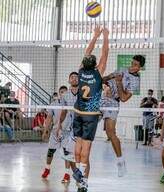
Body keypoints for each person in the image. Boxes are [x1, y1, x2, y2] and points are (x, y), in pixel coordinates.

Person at [70, 27, 112, 192]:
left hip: (78, 112)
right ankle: (80, 175)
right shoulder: (98, 73)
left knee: (78, 145)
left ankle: (79, 177)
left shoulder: (80, 71)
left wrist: (95, 35)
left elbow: (88, 51)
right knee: (86, 148)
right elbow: (105, 52)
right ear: (95, 64)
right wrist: (106, 36)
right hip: (91, 116)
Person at [100, 54, 145, 177]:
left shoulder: (135, 81)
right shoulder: (122, 69)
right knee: (87, 119)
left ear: (140, 68)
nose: (132, 66)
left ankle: (121, 162)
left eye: (135, 65)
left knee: (110, 133)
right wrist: (100, 80)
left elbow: (124, 98)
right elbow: (107, 78)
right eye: (132, 63)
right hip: (102, 98)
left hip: (113, 102)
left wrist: (119, 83)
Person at [41, 85, 70, 183]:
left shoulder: (72, 104)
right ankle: (47, 169)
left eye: (65, 92)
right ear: (59, 93)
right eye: (61, 92)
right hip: (55, 131)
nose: (63, 94)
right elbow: (49, 118)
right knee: (50, 152)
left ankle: (67, 174)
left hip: (67, 132)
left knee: (67, 153)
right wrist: (45, 131)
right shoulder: (53, 104)